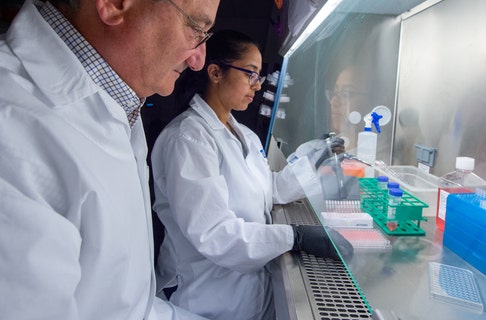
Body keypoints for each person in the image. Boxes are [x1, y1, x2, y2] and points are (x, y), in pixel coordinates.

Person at [0, 0, 219, 319]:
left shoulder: (116, 101)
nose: (199, 60)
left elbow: (118, 304)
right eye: (196, 29)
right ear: (114, 5)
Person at [151, 30, 352, 320]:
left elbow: (269, 188)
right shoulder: (188, 139)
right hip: (204, 296)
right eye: (250, 74)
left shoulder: (243, 134)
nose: (257, 86)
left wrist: (316, 158)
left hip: (248, 290)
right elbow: (214, 234)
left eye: (259, 77)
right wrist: (295, 236)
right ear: (216, 72)